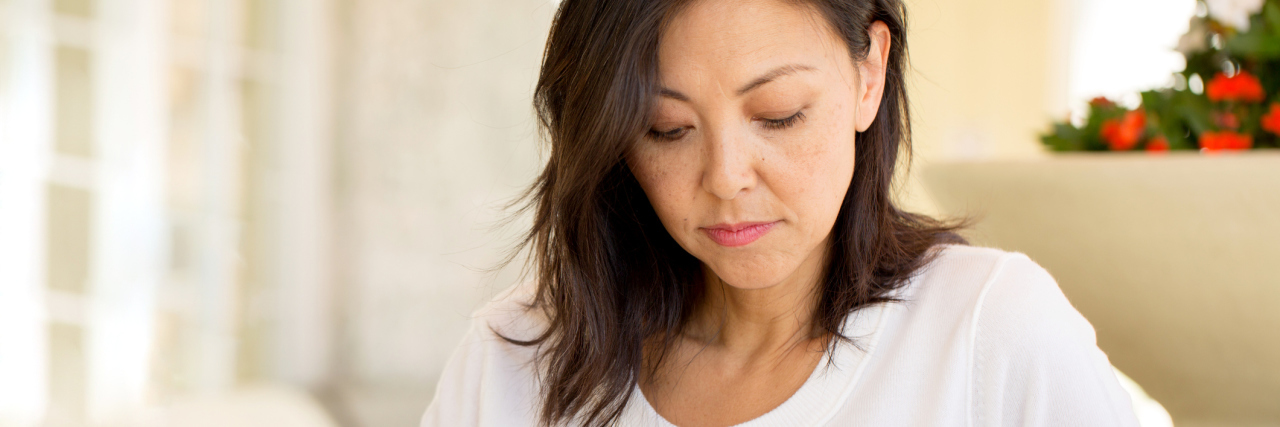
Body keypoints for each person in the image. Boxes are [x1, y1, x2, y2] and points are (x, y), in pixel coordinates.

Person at [422, 0, 1140, 425]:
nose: (728, 179)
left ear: (869, 73)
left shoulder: (988, 329)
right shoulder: (516, 360)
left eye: (779, 114)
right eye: (667, 129)